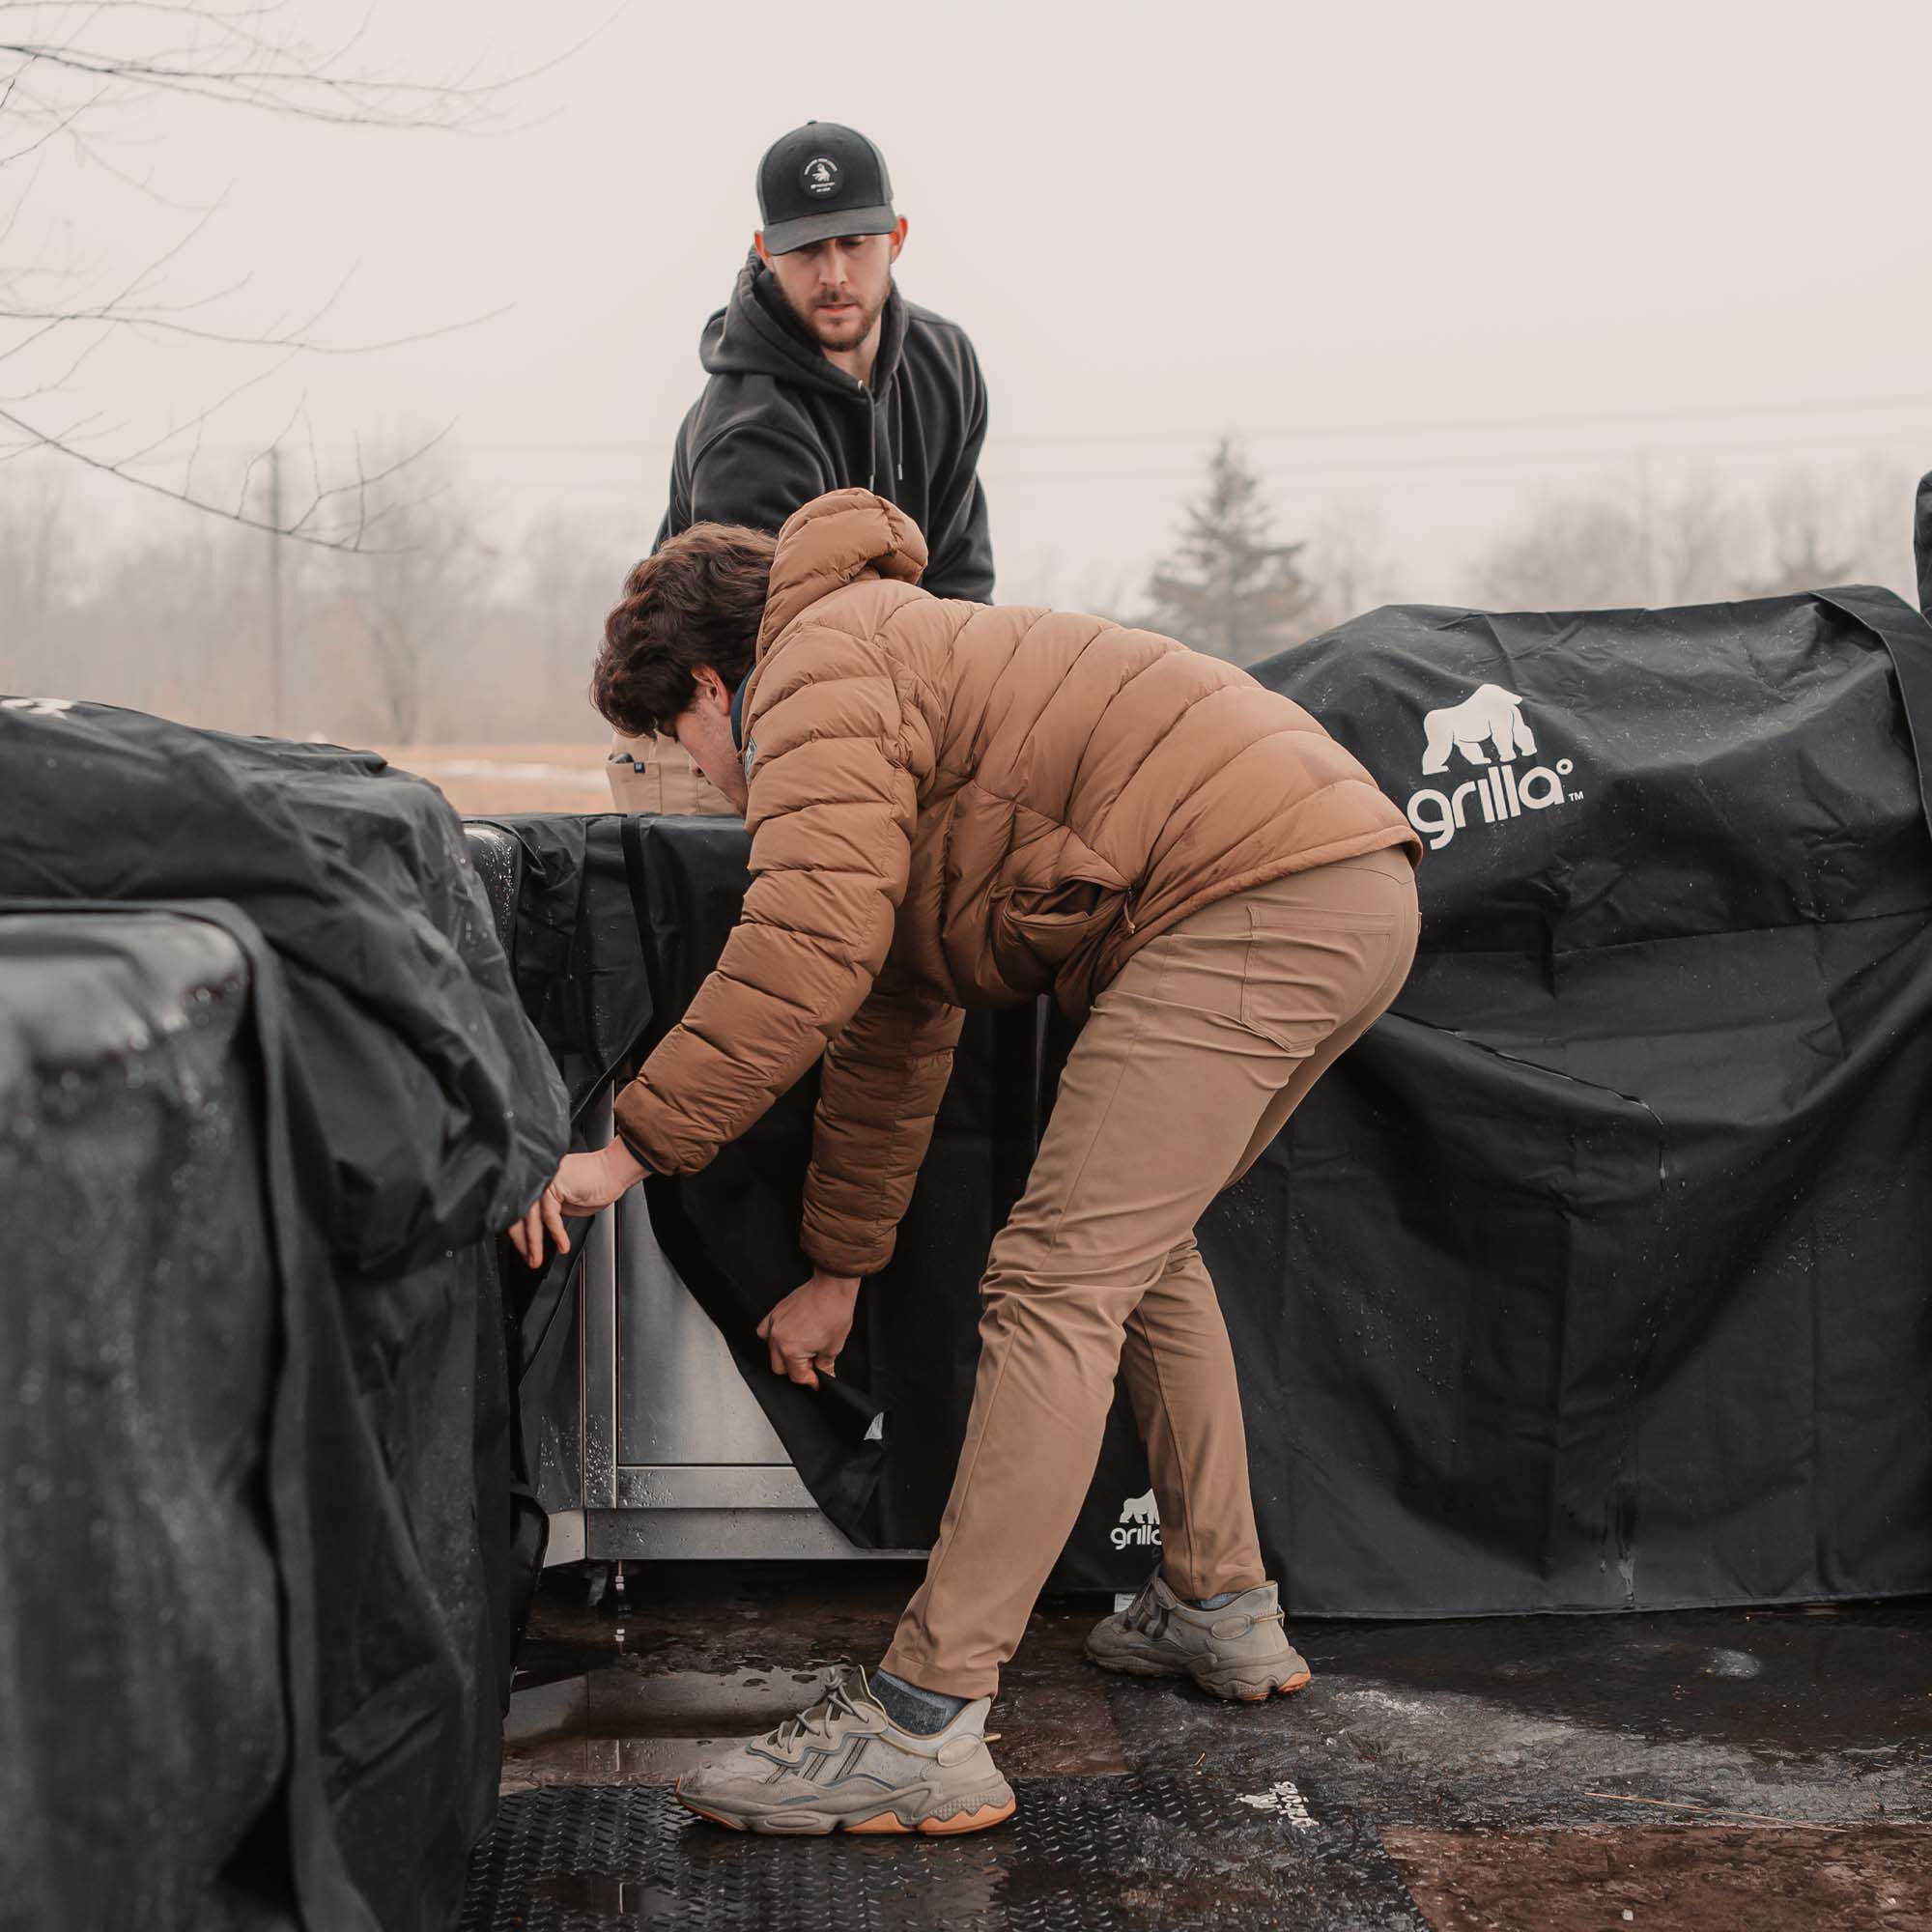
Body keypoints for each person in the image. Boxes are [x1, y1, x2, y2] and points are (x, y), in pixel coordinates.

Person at [515, 488, 1421, 1838]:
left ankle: (924, 1720)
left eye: (682, 741)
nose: (704, 780)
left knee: (1053, 1279)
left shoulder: (815, 662)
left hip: (1248, 895)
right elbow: (887, 1026)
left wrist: (624, 1150)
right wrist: (838, 1272)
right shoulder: (892, 661)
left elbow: (801, 945)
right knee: (1135, 1251)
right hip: (1340, 885)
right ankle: (1219, 1603)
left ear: (712, 684)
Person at [607, 118, 993, 814]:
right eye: (808, 249)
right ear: (765, 251)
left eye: (855, 244)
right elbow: (781, 653)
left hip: (861, 701)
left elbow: (962, 583)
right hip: (714, 726)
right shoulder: (748, 427)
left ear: (896, 239)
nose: (835, 274)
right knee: (786, 918)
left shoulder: (946, 366)